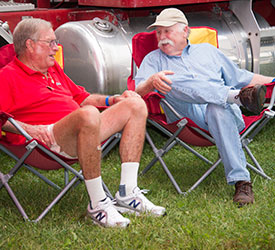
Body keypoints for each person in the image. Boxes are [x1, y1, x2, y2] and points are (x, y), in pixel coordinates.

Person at [0, 18, 166, 228]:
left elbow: (82, 97)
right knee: (87, 114)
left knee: (135, 104)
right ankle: (98, 204)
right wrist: (28, 129)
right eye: (50, 42)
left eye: (56, 42)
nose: (56, 47)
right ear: (30, 45)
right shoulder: (7, 77)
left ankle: (127, 193)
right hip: (46, 141)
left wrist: (113, 100)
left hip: (83, 131)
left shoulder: (52, 70)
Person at [135, 8, 274, 206]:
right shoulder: (153, 60)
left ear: (185, 31)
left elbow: (243, 77)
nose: (162, 36)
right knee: (168, 80)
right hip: (189, 119)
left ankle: (241, 182)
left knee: (217, 107)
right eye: (159, 32)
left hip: (225, 115)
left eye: (167, 31)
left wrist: (274, 80)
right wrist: (151, 82)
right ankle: (236, 97)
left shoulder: (208, 51)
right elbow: (136, 91)